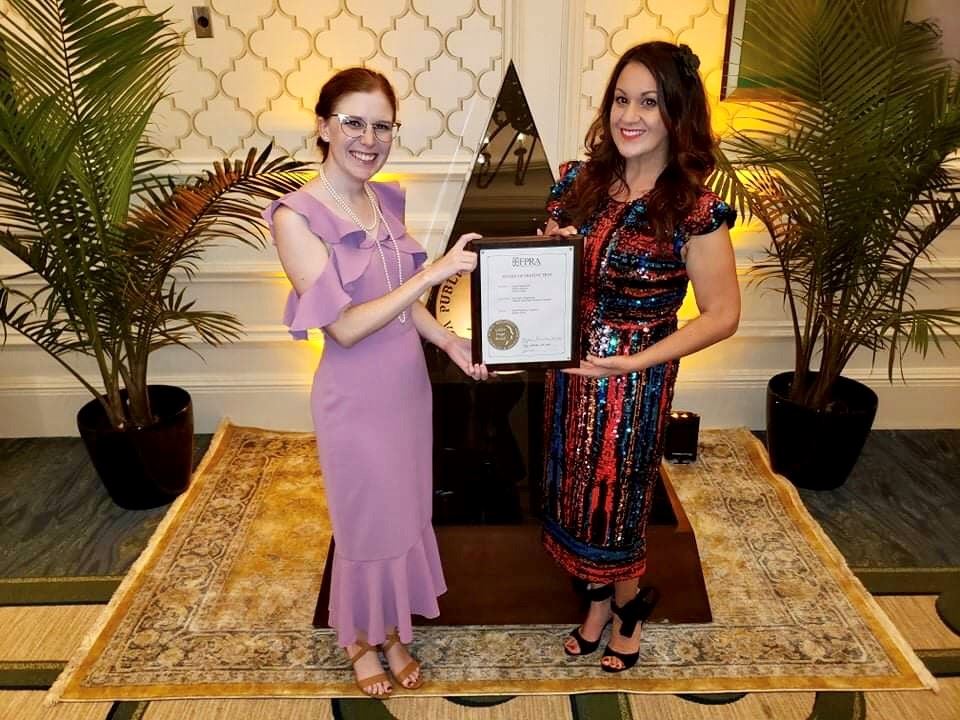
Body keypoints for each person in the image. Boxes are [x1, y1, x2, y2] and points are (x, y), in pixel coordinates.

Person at [263, 67, 488, 697]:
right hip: (355, 398)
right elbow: (346, 329)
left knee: (406, 511)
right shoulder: (295, 216)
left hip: (407, 389)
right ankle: (360, 640)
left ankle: (391, 630)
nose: (370, 138)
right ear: (324, 127)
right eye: (354, 122)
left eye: (382, 125)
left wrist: (448, 340)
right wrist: (433, 272)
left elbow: (399, 302)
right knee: (366, 521)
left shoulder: (384, 198)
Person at [541, 42, 740, 672]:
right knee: (571, 489)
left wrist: (636, 362)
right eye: (622, 99)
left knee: (617, 496)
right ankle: (598, 603)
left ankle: (628, 607)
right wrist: (549, 250)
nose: (630, 115)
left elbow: (723, 314)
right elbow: (545, 268)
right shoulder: (578, 180)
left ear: (676, 115)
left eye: (649, 102)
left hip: (634, 379)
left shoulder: (695, 210)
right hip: (566, 371)